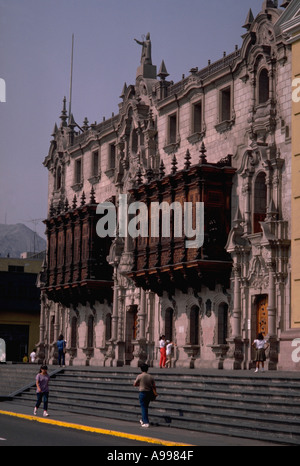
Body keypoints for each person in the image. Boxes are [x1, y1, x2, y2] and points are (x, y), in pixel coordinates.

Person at [133, 364, 156, 428]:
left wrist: (139, 384)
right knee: (146, 407)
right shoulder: (150, 376)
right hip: (148, 393)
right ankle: (143, 419)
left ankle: (146, 422)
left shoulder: (139, 376)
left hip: (142, 392)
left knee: (143, 407)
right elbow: (154, 386)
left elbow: (135, 384)